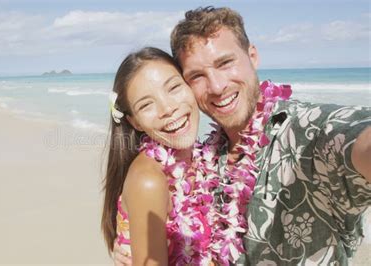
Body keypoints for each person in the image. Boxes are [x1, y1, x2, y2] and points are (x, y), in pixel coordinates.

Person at [113, 6, 371, 265]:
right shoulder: (208, 157)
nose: (217, 86)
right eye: (197, 76)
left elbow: (354, 138)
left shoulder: (304, 131)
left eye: (225, 63)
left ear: (253, 56)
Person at [102, 47, 225, 265]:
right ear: (135, 121)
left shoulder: (205, 157)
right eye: (146, 104)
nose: (167, 108)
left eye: (174, 88)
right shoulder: (148, 181)